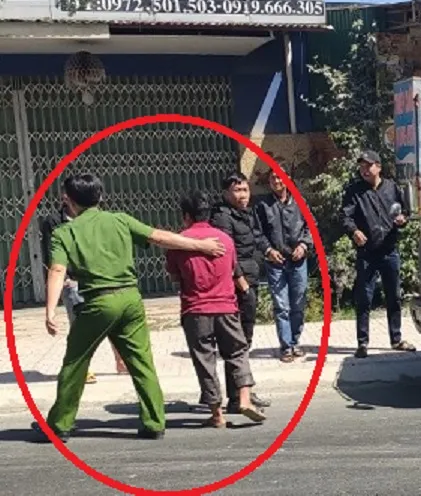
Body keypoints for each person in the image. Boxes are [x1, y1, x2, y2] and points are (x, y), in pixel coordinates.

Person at [31, 173, 227, 443]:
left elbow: (56, 270)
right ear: (100, 197)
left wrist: (50, 311)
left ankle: (58, 425)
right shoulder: (120, 220)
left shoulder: (64, 232)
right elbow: (159, 237)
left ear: (70, 201)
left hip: (98, 303)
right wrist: (200, 245)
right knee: (142, 363)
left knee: (75, 364)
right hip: (131, 300)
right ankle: (154, 422)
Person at [165, 190, 267, 428]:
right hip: (227, 307)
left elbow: (174, 277)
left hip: (196, 310)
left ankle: (216, 413)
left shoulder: (179, 243)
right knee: (238, 352)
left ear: (186, 216)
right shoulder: (225, 240)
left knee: (205, 360)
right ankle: (244, 398)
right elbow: (232, 271)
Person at [40, 200, 128, 384]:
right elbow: (51, 255)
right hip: (72, 281)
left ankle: (121, 361)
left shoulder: (96, 218)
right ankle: (84, 368)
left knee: (111, 320)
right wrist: (61, 282)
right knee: (80, 326)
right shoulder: (53, 221)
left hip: (98, 278)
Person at [340, 150, 417, 358]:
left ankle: (396, 339)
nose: (364, 170)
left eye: (368, 166)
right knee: (364, 298)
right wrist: (354, 231)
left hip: (389, 251)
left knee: (394, 296)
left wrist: (402, 220)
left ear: (378, 167)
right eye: (361, 167)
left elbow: (405, 212)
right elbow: (345, 217)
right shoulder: (354, 191)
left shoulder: (392, 188)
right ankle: (362, 343)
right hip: (367, 253)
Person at [210, 172, 271, 413]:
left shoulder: (245, 213)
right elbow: (227, 252)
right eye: (237, 191)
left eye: (245, 190)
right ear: (226, 193)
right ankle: (237, 396)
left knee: (245, 339)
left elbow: (256, 237)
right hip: (238, 284)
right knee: (236, 341)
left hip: (250, 278)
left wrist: (269, 251)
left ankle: (241, 392)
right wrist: (240, 281)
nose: (243, 195)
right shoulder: (222, 217)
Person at [253, 168, 312, 363]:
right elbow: (257, 233)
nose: (276, 181)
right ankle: (286, 346)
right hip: (275, 263)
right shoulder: (262, 205)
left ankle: (295, 341)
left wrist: (303, 245)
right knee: (281, 306)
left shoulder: (300, 202)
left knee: (298, 303)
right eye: (272, 177)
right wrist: (269, 250)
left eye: (279, 177)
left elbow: (310, 227)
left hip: (298, 261)